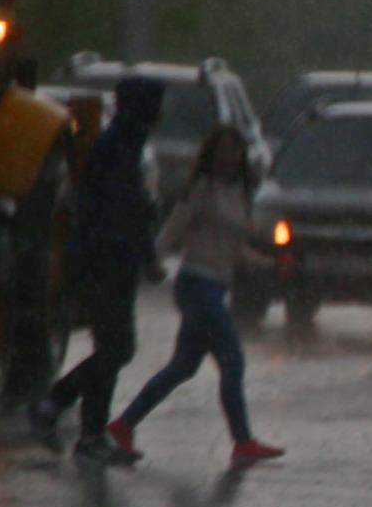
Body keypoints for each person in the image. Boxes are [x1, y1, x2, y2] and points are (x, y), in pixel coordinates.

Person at [107, 125, 283, 467]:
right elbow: (173, 229)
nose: (228, 157)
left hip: (216, 286)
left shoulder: (240, 192)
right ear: (211, 153)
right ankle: (243, 442)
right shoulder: (201, 189)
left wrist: (268, 263)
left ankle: (123, 425)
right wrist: (151, 262)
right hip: (196, 285)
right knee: (232, 361)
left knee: (182, 367)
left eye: (234, 151)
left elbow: (235, 248)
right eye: (222, 150)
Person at [28, 75, 163, 462]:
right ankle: (54, 408)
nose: (156, 116)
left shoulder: (121, 145)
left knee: (111, 348)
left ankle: (88, 435)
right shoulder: (116, 149)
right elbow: (120, 214)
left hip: (108, 264)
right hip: (105, 265)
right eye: (152, 106)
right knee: (117, 348)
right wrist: (139, 249)